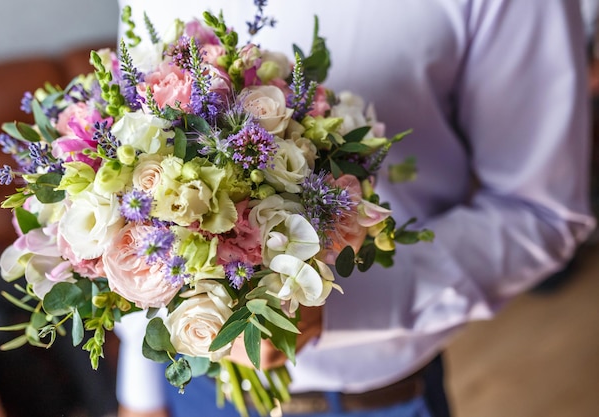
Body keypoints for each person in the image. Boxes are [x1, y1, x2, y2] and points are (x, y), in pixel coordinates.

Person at [113, 1, 596, 416]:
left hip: (370, 399)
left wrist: (332, 309)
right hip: (190, 388)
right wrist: (138, 391)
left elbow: (541, 213)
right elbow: (132, 174)